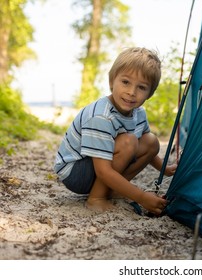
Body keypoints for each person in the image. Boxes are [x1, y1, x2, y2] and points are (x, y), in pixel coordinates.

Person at [54, 47, 176, 215]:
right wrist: (142, 197)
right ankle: (96, 198)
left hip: (99, 165)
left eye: (141, 87)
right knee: (128, 142)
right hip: (75, 171)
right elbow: (103, 170)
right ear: (112, 82)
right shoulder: (101, 116)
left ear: (150, 93)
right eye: (125, 82)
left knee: (151, 141)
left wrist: (165, 168)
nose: (131, 92)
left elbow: (148, 148)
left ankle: (112, 191)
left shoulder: (139, 113)